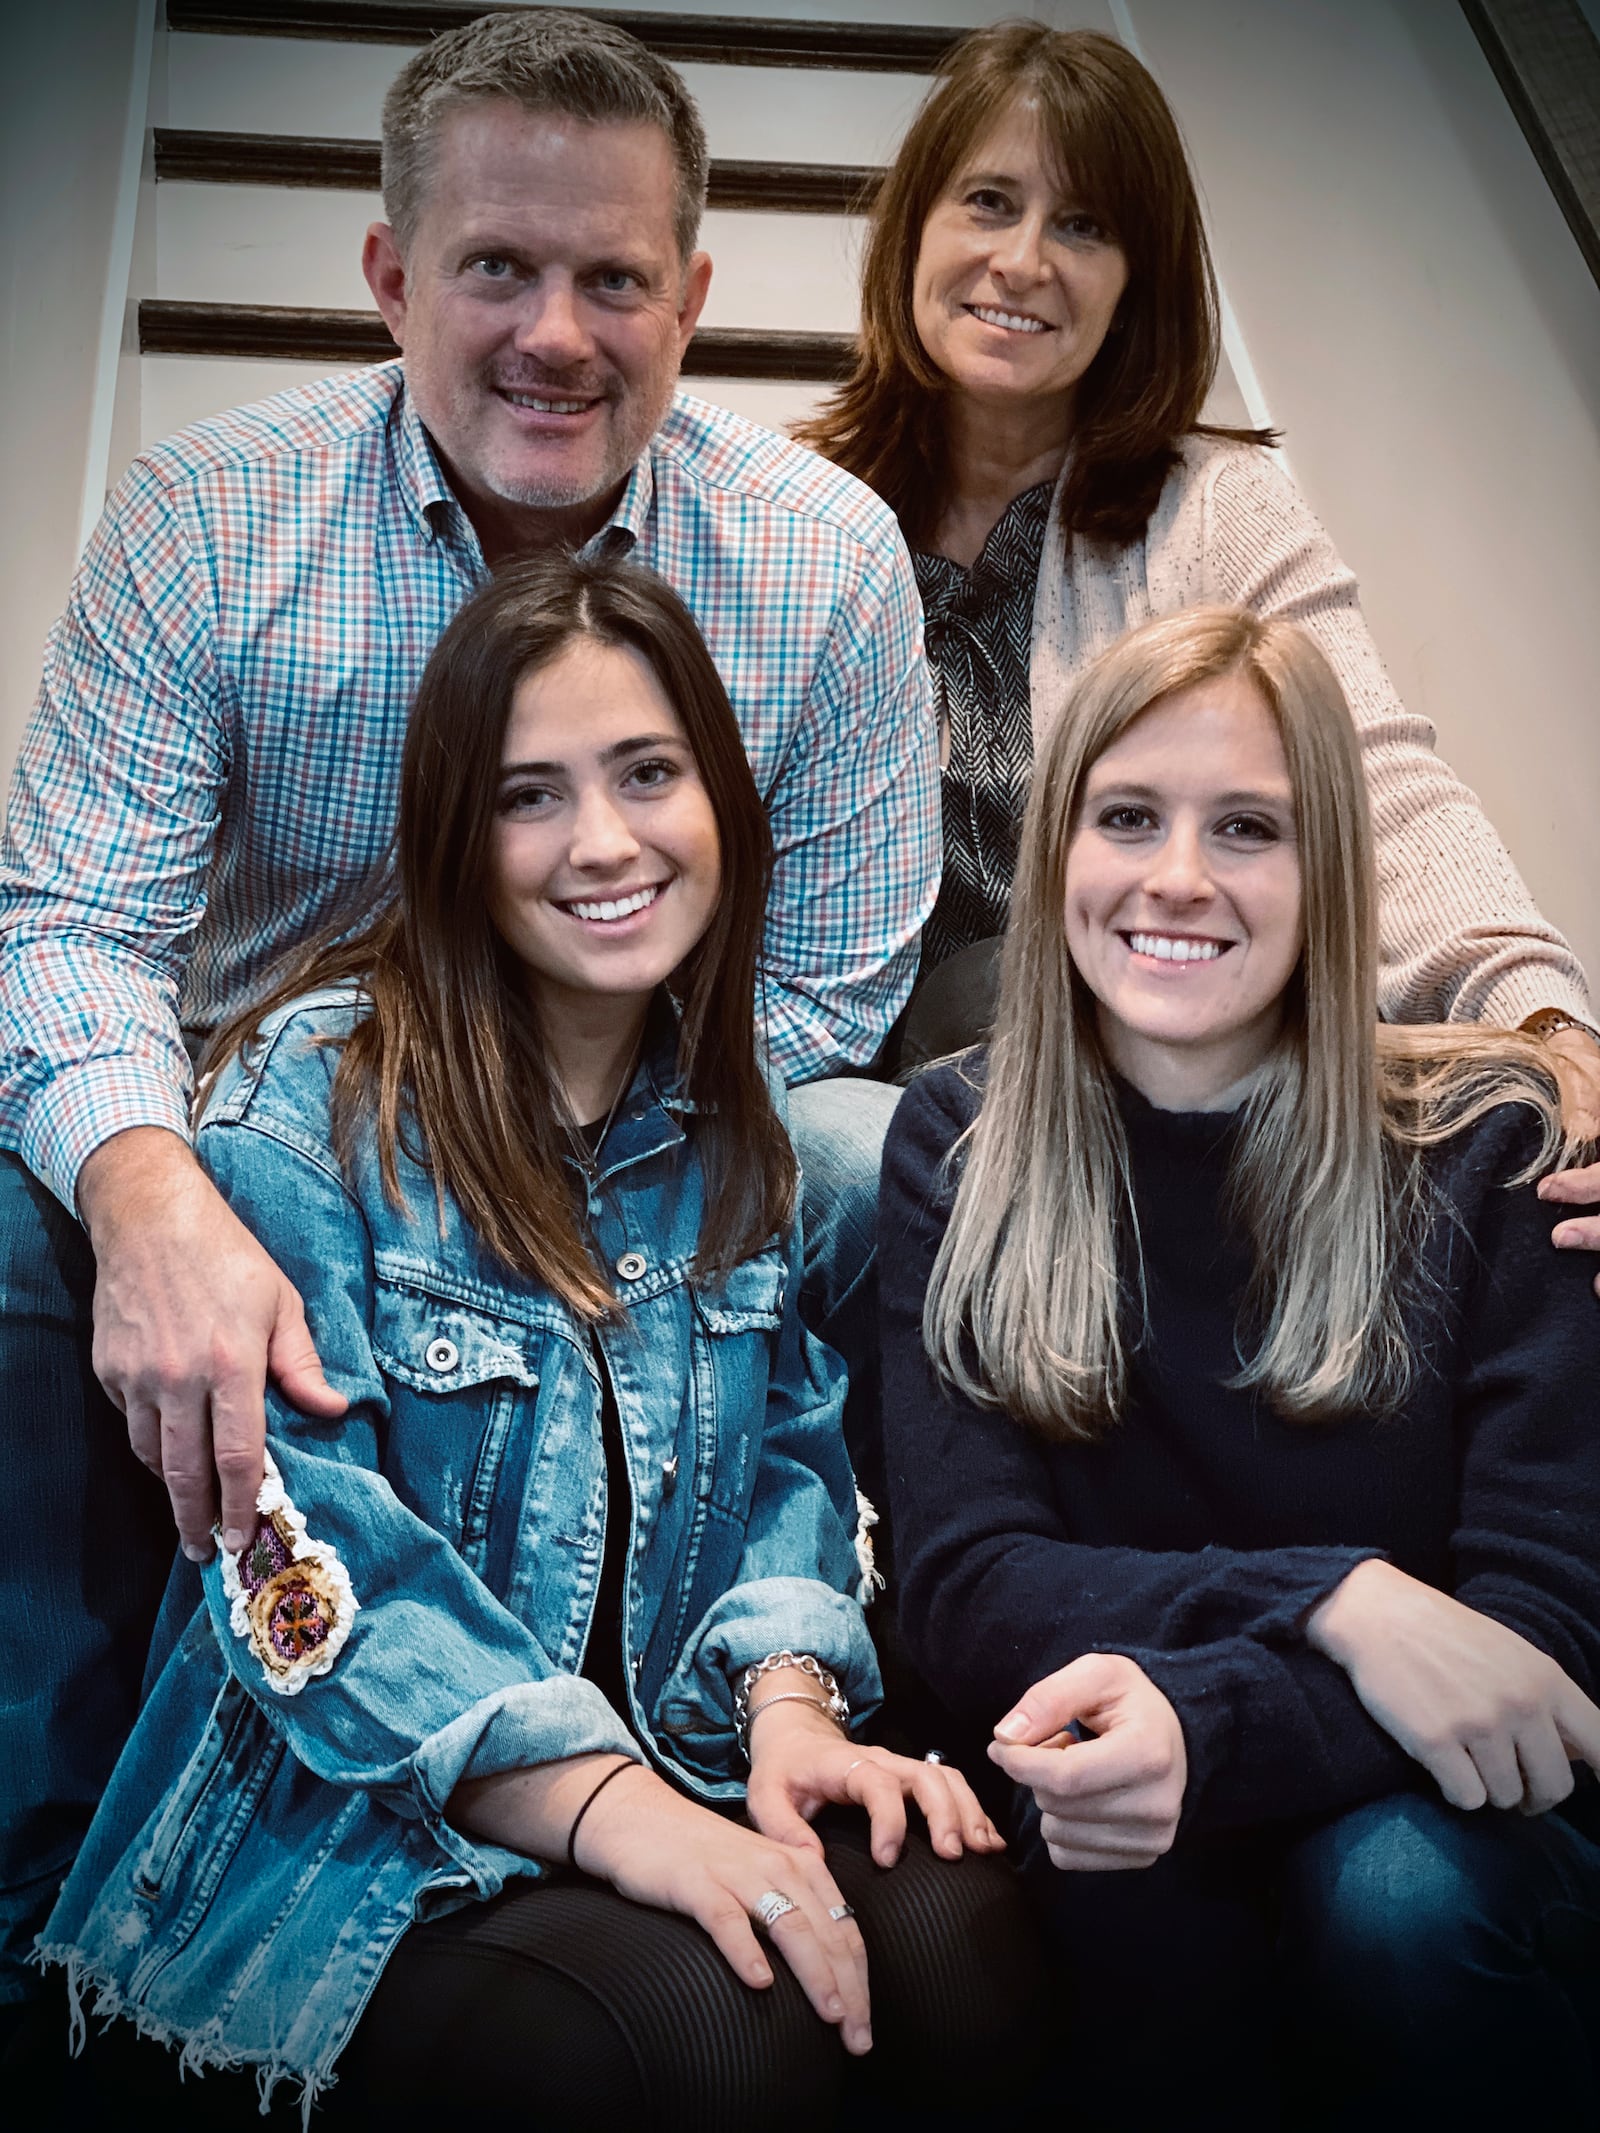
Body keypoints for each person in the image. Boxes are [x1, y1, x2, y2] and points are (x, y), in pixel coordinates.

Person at [0, 8, 929, 2013]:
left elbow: (834, 972)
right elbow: (67, 927)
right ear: (391, 275)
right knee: (27, 1206)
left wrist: (575, 1162)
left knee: (872, 1158)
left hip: (654, 1126)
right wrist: (163, 1197)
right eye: (497, 268)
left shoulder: (820, 558)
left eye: (612, 278)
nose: (556, 335)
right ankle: (54, 1900)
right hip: (285, 1149)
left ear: (690, 294)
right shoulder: (212, 524)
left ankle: (781, 1669)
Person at [27, 549, 1041, 2129]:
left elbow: (787, 1459)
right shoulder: (312, 1112)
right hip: (342, 1827)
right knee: (714, 2038)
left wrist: (790, 1715)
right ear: (455, 843)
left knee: (965, 1938)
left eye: (649, 774)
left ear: (722, 805)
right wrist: (623, 1812)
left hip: (673, 1752)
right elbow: (299, 1571)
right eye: (530, 797)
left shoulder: (731, 1125)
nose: (607, 842)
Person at [879, 603, 1600, 2128]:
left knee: (1390, 1894)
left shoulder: (1499, 1142)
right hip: (1123, 1781)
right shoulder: (961, 1137)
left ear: (1329, 868)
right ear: (1059, 854)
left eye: (1251, 828)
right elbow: (966, 1580)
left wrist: (1214, 1729)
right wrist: (1336, 1595)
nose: (1180, 878)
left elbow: (1537, 1636)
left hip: (1441, 1813)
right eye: (1127, 816)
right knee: (1116, 1873)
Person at [795, 20, 1600, 1168]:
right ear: (913, 224)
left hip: (1171, 1077)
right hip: (888, 1107)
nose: (1023, 261)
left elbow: (1374, 778)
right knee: (841, 1159)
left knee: (1518, 1144)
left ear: (1134, 283)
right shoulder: (794, 519)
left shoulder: (1215, 508)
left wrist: (1543, 1018)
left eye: (1082, 225)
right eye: (987, 202)